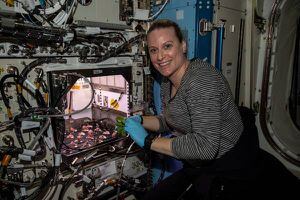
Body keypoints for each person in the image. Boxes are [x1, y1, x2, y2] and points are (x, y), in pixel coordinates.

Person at [124, 19, 259, 200]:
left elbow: (205, 147)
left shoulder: (201, 81)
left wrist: (148, 142)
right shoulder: (167, 81)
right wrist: (140, 121)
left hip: (229, 165)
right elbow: (170, 121)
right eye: (154, 50)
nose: (160, 56)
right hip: (198, 164)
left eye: (167, 46)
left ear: (184, 46)